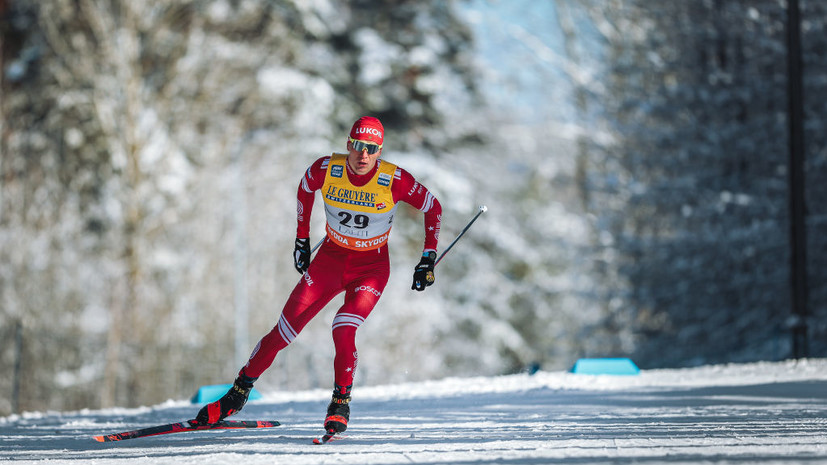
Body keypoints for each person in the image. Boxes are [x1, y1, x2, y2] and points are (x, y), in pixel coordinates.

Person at [195, 116, 442, 436]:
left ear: (379, 151)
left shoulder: (394, 179)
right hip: (330, 260)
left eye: (371, 149)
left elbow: (432, 206)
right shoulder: (328, 169)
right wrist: (302, 239)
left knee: (343, 327)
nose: (363, 155)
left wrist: (428, 257)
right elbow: (305, 187)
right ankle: (237, 393)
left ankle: (340, 403)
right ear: (348, 144)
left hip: (371, 268)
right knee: (282, 332)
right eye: (357, 146)